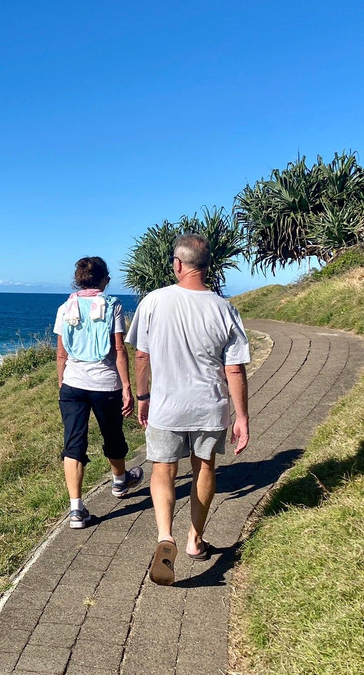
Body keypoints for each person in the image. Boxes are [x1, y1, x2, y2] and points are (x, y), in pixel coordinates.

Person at [125, 234, 250, 585]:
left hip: (166, 405)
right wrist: (242, 417)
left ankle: (166, 536)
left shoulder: (153, 301)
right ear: (209, 265)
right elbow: (235, 369)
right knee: (204, 467)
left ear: (178, 265)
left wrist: (143, 396)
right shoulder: (224, 309)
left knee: (163, 470)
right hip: (210, 407)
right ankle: (195, 540)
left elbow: (141, 356)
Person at [54, 256, 145, 529]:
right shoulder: (113, 305)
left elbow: (61, 354)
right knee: (113, 434)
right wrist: (127, 386)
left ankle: (76, 510)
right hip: (105, 384)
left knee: (73, 445)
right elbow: (119, 349)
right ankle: (119, 482)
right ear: (104, 279)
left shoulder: (64, 307)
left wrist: (62, 385)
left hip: (72, 384)